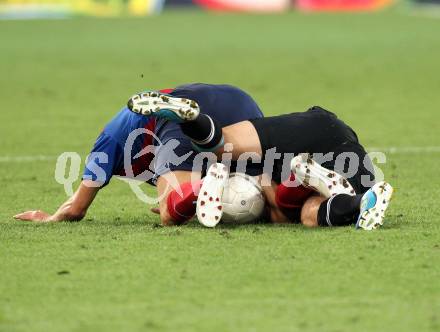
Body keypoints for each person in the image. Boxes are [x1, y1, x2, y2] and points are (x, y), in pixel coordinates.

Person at [127, 92, 394, 230]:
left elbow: (267, 191)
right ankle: (360, 201)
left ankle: (193, 121)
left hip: (302, 142)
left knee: (301, 214)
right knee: (224, 144)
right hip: (328, 131)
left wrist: (185, 202)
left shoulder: (249, 184)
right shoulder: (235, 172)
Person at [14, 83, 267, 226]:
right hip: (240, 101)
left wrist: (48, 219)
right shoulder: (114, 134)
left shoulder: (106, 145)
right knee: (269, 194)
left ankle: (198, 187)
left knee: (170, 215)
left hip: (176, 116)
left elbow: (75, 210)